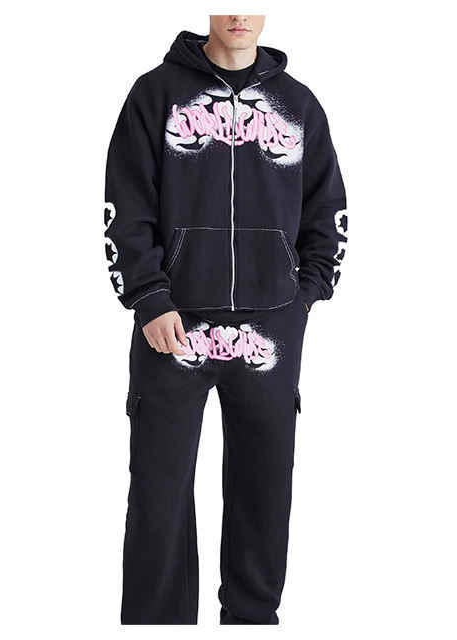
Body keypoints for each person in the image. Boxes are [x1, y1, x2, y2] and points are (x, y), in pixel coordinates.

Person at [105, 15, 347, 624]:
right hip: (173, 328)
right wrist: (149, 296)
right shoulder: (155, 94)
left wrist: (303, 297)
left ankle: (252, 624)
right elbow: (125, 206)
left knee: (263, 494)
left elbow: (329, 208)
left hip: (270, 331)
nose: (238, 13)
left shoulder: (298, 105)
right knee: (159, 497)